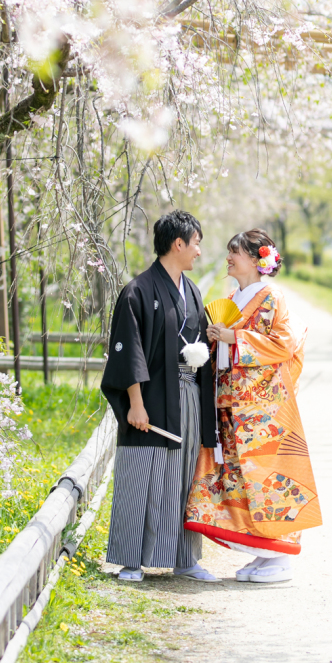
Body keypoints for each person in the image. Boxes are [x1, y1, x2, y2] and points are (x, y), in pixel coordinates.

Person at [184, 229, 322, 584]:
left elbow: (285, 344)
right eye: (230, 251)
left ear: (256, 259)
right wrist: (216, 341)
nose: (229, 258)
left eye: (236, 252)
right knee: (240, 480)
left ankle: (281, 557)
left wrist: (235, 337)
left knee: (267, 480)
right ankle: (264, 553)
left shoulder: (272, 297)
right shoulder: (233, 298)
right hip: (232, 405)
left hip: (262, 411)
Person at [101, 210, 218, 583]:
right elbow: (129, 349)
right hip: (150, 398)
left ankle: (185, 558)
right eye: (196, 243)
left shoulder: (192, 291)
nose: (199, 251)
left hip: (187, 395)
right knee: (142, 475)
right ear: (178, 244)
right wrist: (135, 403)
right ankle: (131, 561)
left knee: (184, 476)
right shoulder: (138, 291)